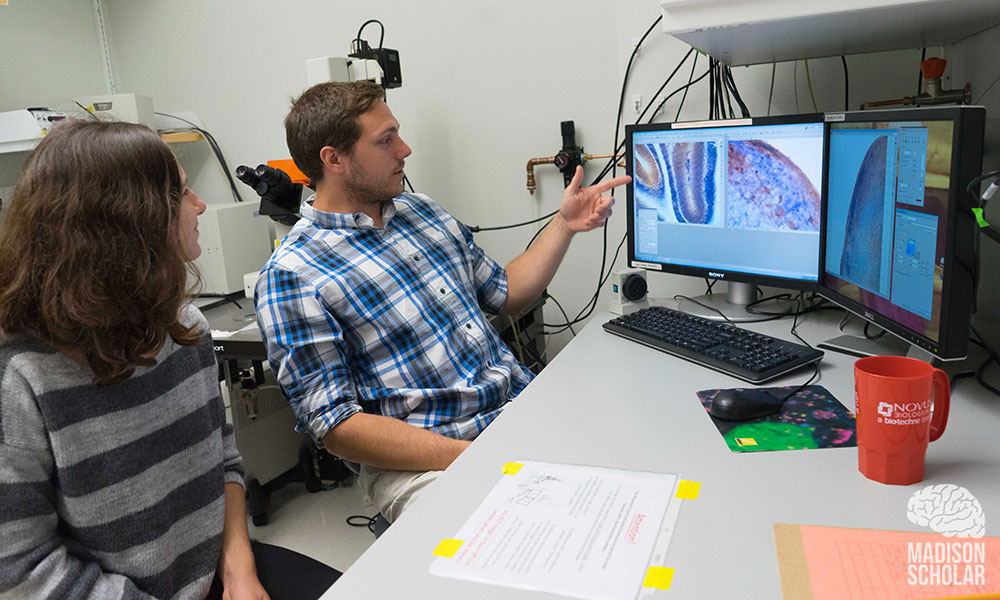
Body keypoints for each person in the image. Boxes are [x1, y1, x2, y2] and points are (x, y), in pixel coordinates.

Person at [255, 81, 630, 523]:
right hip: (428, 461)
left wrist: (564, 225)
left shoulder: (422, 213)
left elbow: (506, 292)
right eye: (386, 140)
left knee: (633, 482)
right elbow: (337, 428)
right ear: (333, 159)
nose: (405, 150)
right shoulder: (293, 274)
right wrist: (475, 457)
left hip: (517, 411)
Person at [0, 120, 339, 600]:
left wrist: (240, 571)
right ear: (126, 220)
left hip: (215, 573)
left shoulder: (182, 327)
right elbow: (19, 571)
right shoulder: (21, 375)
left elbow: (223, 461)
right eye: (182, 193)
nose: (200, 205)